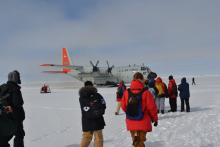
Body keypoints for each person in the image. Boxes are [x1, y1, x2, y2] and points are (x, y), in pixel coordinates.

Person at [121, 72, 158, 147]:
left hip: (131, 121)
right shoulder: (146, 92)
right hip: (143, 121)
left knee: (136, 141)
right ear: (142, 79)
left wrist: (131, 112)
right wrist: (155, 119)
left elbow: (123, 106)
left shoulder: (127, 92)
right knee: (140, 141)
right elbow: (152, 108)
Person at [79, 81, 106, 147]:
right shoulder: (97, 95)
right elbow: (104, 105)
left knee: (86, 137)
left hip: (86, 120)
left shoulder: (81, 97)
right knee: (98, 138)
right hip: (97, 119)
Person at [7, 70, 25, 147]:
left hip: (5, 117)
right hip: (15, 117)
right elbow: (18, 103)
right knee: (19, 135)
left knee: (5, 135)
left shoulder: (4, 87)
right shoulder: (15, 89)